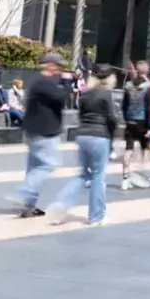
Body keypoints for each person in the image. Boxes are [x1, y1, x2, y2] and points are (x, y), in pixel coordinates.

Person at [45, 70, 117, 226]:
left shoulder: (84, 94)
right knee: (98, 176)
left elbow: (80, 115)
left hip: (82, 134)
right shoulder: (106, 95)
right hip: (99, 135)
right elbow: (112, 119)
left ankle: (60, 204)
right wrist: (112, 138)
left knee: (83, 175)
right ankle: (96, 216)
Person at [9, 53, 71, 218]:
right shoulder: (44, 83)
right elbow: (62, 97)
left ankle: (28, 205)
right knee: (47, 165)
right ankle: (24, 193)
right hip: (45, 131)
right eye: (58, 66)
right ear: (51, 65)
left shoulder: (37, 81)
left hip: (34, 130)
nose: (60, 70)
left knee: (34, 168)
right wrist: (66, 82)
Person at [119, 68, 150, 188]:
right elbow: (149, 108)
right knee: (146, 147)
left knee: (128, 149)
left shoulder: (128, 87)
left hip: (130, 120)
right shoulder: (147, 89)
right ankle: (141, 171)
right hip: (142, 121)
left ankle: (125, 177)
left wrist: (126, 118)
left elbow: (123, 105)